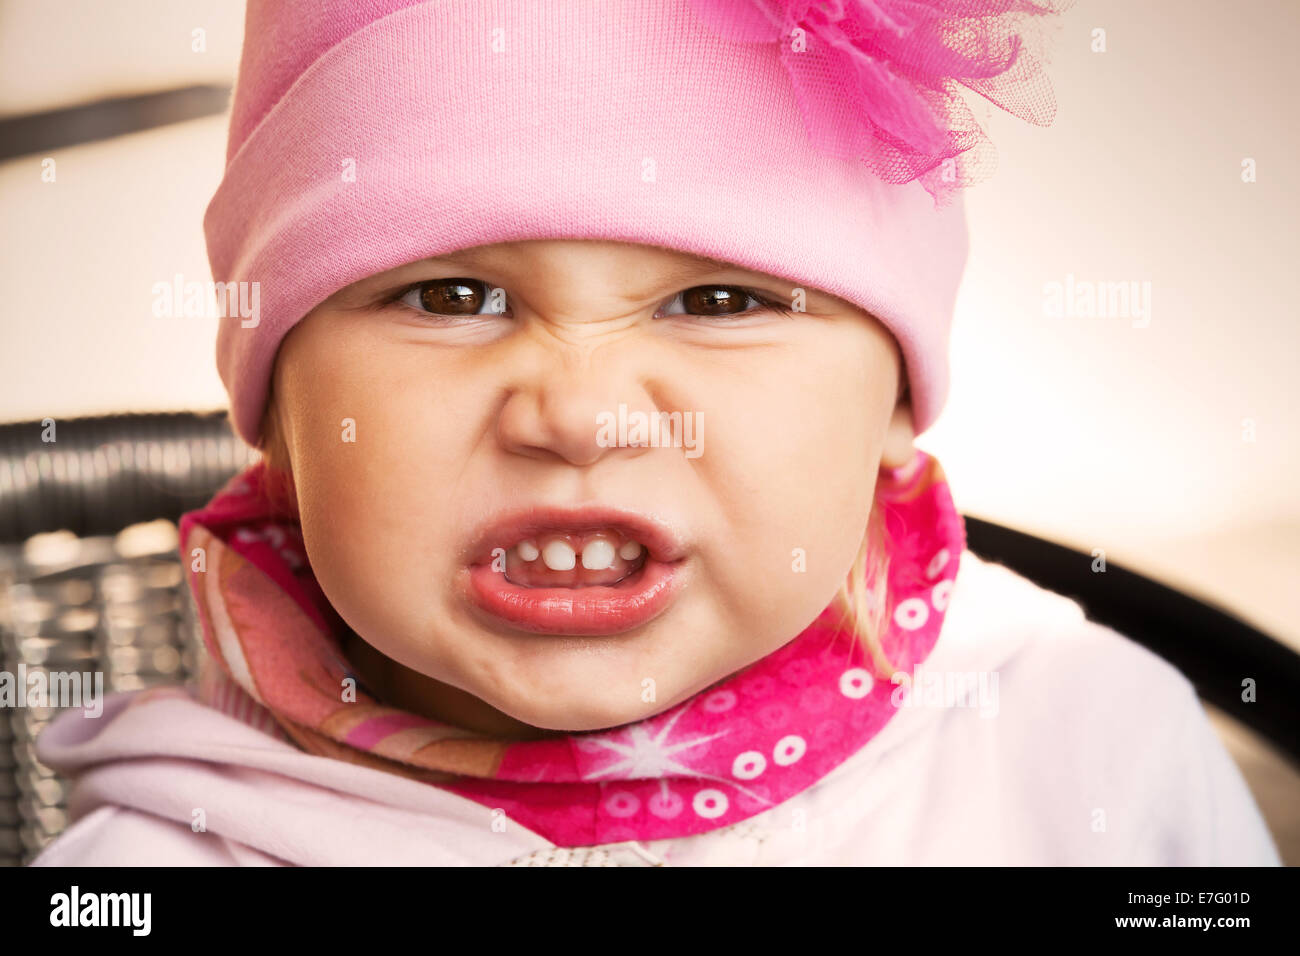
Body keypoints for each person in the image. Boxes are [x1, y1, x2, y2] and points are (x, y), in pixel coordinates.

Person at [30, 0, 1279, 866]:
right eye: (452, 296)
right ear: (281, 417)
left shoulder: (1091, 750)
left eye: (721, 299)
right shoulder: (156, 861)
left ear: (895, 404)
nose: (580, 411)